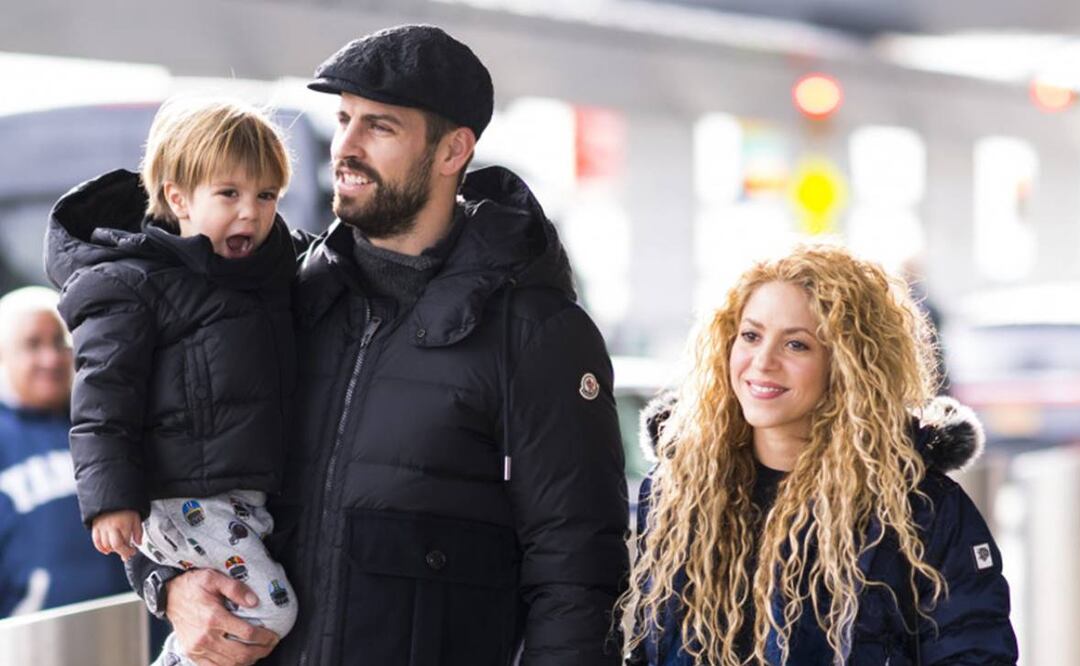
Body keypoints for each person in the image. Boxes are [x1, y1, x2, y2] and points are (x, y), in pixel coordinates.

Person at [129, 24, 629, 666]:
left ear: (453, 151)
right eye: (344, 119)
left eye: (380, 127)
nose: (347, 147)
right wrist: (168, 585)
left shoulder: (535, 332)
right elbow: (159, 455)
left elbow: (578, 576)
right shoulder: (277, 296)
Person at [620, 246, 1017, 665]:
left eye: (796, 345)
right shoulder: (677, 493)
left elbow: (974, 654)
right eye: (751, 335)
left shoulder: (920, 509)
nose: (763, 361)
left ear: (846, 367)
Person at [44, 100, 299, 665]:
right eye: (228, 194)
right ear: (179, 198)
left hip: (241, 498)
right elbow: (102, 402)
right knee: (269, 610)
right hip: (183, 501)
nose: (251, 215)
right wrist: (111, 502)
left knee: (238, 611)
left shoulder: (270, 277)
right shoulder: (130, 284)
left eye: (266, 196)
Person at [0, 286, 129, 616]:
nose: (51, 358)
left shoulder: (106, 424)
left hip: (136, 633)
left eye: (60, 343)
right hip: (32, 646)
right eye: (33, 345)